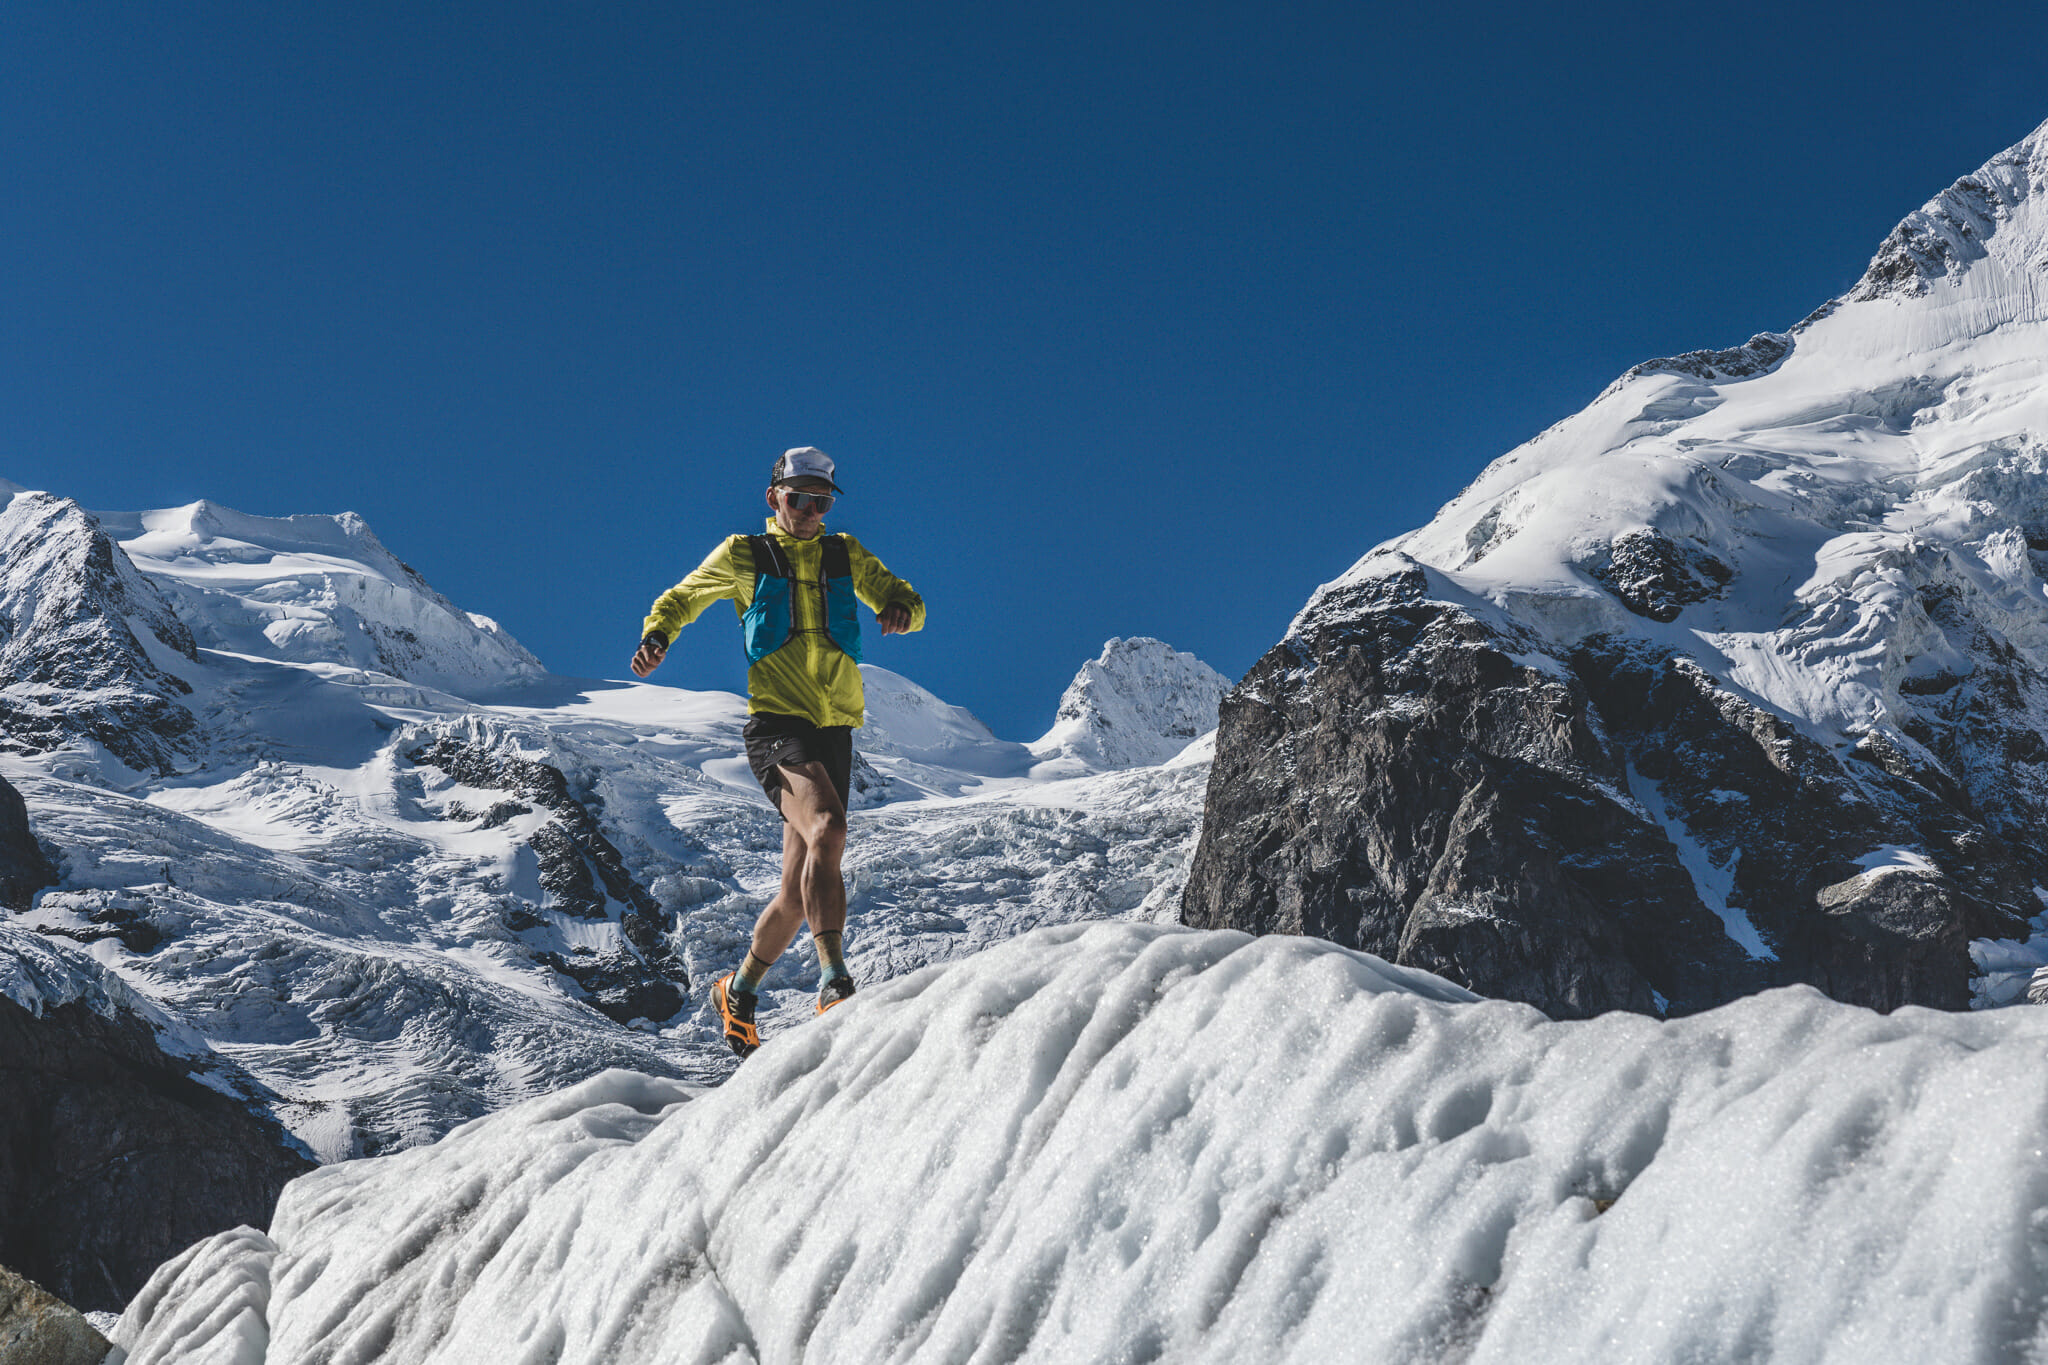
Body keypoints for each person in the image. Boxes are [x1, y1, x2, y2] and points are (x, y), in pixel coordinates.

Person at [631, 447, 925, 1058]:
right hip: (776, 727)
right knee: (828, 825)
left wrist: (902, 609)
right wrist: (658, 634)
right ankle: (834, 980)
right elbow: (683, 597)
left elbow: (903, 597)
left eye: (822, 502)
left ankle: (737, 992)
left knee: (797, 889)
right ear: (775, 498)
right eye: (800, 499)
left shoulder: (846, 555)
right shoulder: (746, 555)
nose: (811, 511)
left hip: (835, 731)